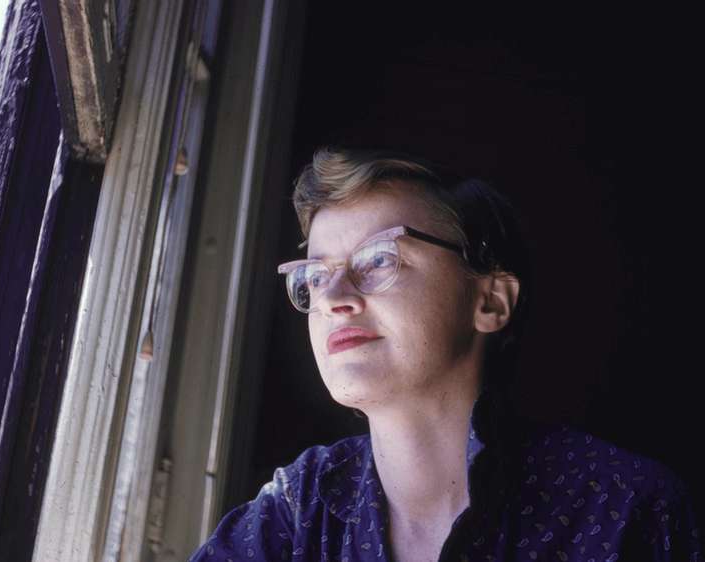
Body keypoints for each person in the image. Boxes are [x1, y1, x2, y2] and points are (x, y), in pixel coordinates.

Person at [189, 147, 701, 561]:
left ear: (490, 302)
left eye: (379, 259)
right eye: (316, 276)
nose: (333, 298)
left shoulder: (628, 510)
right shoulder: (295, 512)